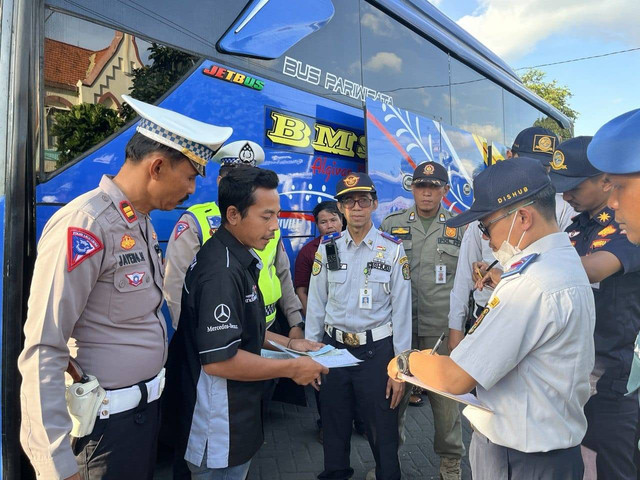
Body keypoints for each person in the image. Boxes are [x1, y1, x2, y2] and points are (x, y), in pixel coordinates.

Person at [18, 95, 233, 480]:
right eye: (189, 177)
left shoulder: (140, 222)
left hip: (140, 419)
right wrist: (56, 466)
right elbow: (43, 348)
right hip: (103, 434)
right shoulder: (85, 225)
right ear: (157, 166)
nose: (192, 190)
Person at [389, 157, 596, 479]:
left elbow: (456, 378)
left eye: (486, 226)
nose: (486, 238)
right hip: (545, 448)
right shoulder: (563, 261)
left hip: (522, 457)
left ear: (523, 217)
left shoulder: (530, 283)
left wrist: (405, 362)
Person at [165, 166, 328, 479]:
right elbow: (219, 362)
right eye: (266, 216)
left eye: (277, 216)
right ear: (234, 214)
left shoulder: (237, 256)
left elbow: (243, 329)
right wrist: (293, 367)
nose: (274, 226)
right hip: (217, 430)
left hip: (235, 418)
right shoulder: (221, 272)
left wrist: (291, 344)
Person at [305, 172, 411, 480]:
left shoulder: (392, 250)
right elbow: (316, 304)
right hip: (333, 350)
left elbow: (402, 312)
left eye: (363, 200)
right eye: (349, 201)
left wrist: (400, 369)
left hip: (376, 353)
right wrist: (313, 356)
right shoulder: (328, 248)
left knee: (383, 432)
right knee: (335, 428)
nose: (357, 207)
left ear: (375, 204)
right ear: (340, 208)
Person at [548, 135, 640, 479]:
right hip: (573, 374)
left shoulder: (629, 226)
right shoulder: (576, 227)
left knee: (614, 469)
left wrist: (523, 264)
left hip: (611, 380)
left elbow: (596, 268)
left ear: (605, 182)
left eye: (573, 186)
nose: (565, 195)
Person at [448, 126, 576, 351]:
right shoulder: (489, 208)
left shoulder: (563, 208)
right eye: (527, 162)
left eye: (544, 167)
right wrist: (456, 329)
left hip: (528, 321)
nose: (535, 172)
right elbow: (462, 280)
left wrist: (504, 278)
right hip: (485, 314)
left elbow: (560, 271)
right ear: (509, 156)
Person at [163, 141, 303, 337]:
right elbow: (176, 283)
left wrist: (295, 322)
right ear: (221, 182)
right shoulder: (196, 220)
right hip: (220, 331)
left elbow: (282, 273)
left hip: (268, 327)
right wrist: (192, 336)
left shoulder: (270, 221)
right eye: (238, 179)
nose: (246, 187)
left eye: (251, 179)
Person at [380, 161, 464, 480]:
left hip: (440, 331)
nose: (426, 193)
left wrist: (462, 329)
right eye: (420, 186)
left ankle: (450, 463)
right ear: (412, 189)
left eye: (433, 187)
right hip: (399, 328)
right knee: (394, 398)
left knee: (446, 405)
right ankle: (389, 462)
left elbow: (468, 282)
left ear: (444, 190)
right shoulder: (393, 224)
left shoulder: (461, 227)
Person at [294, 201, 343, 316]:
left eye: (333, 220)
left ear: (342, 221)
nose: (329, 226)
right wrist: (312, 319)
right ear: (317, 225)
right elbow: (301, 291)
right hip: (322, 314)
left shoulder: (354, 246)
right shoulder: (308, 251)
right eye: (323, 222)